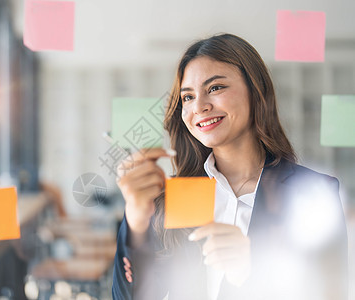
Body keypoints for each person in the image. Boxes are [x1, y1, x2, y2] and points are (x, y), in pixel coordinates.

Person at [111, 33, 348, 300]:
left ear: (255, 91)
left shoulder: (313, 194)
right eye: (188, 97)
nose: (199, 106)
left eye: (215, 88)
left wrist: (252, 273)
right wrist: (136, 222)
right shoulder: (179, 197)